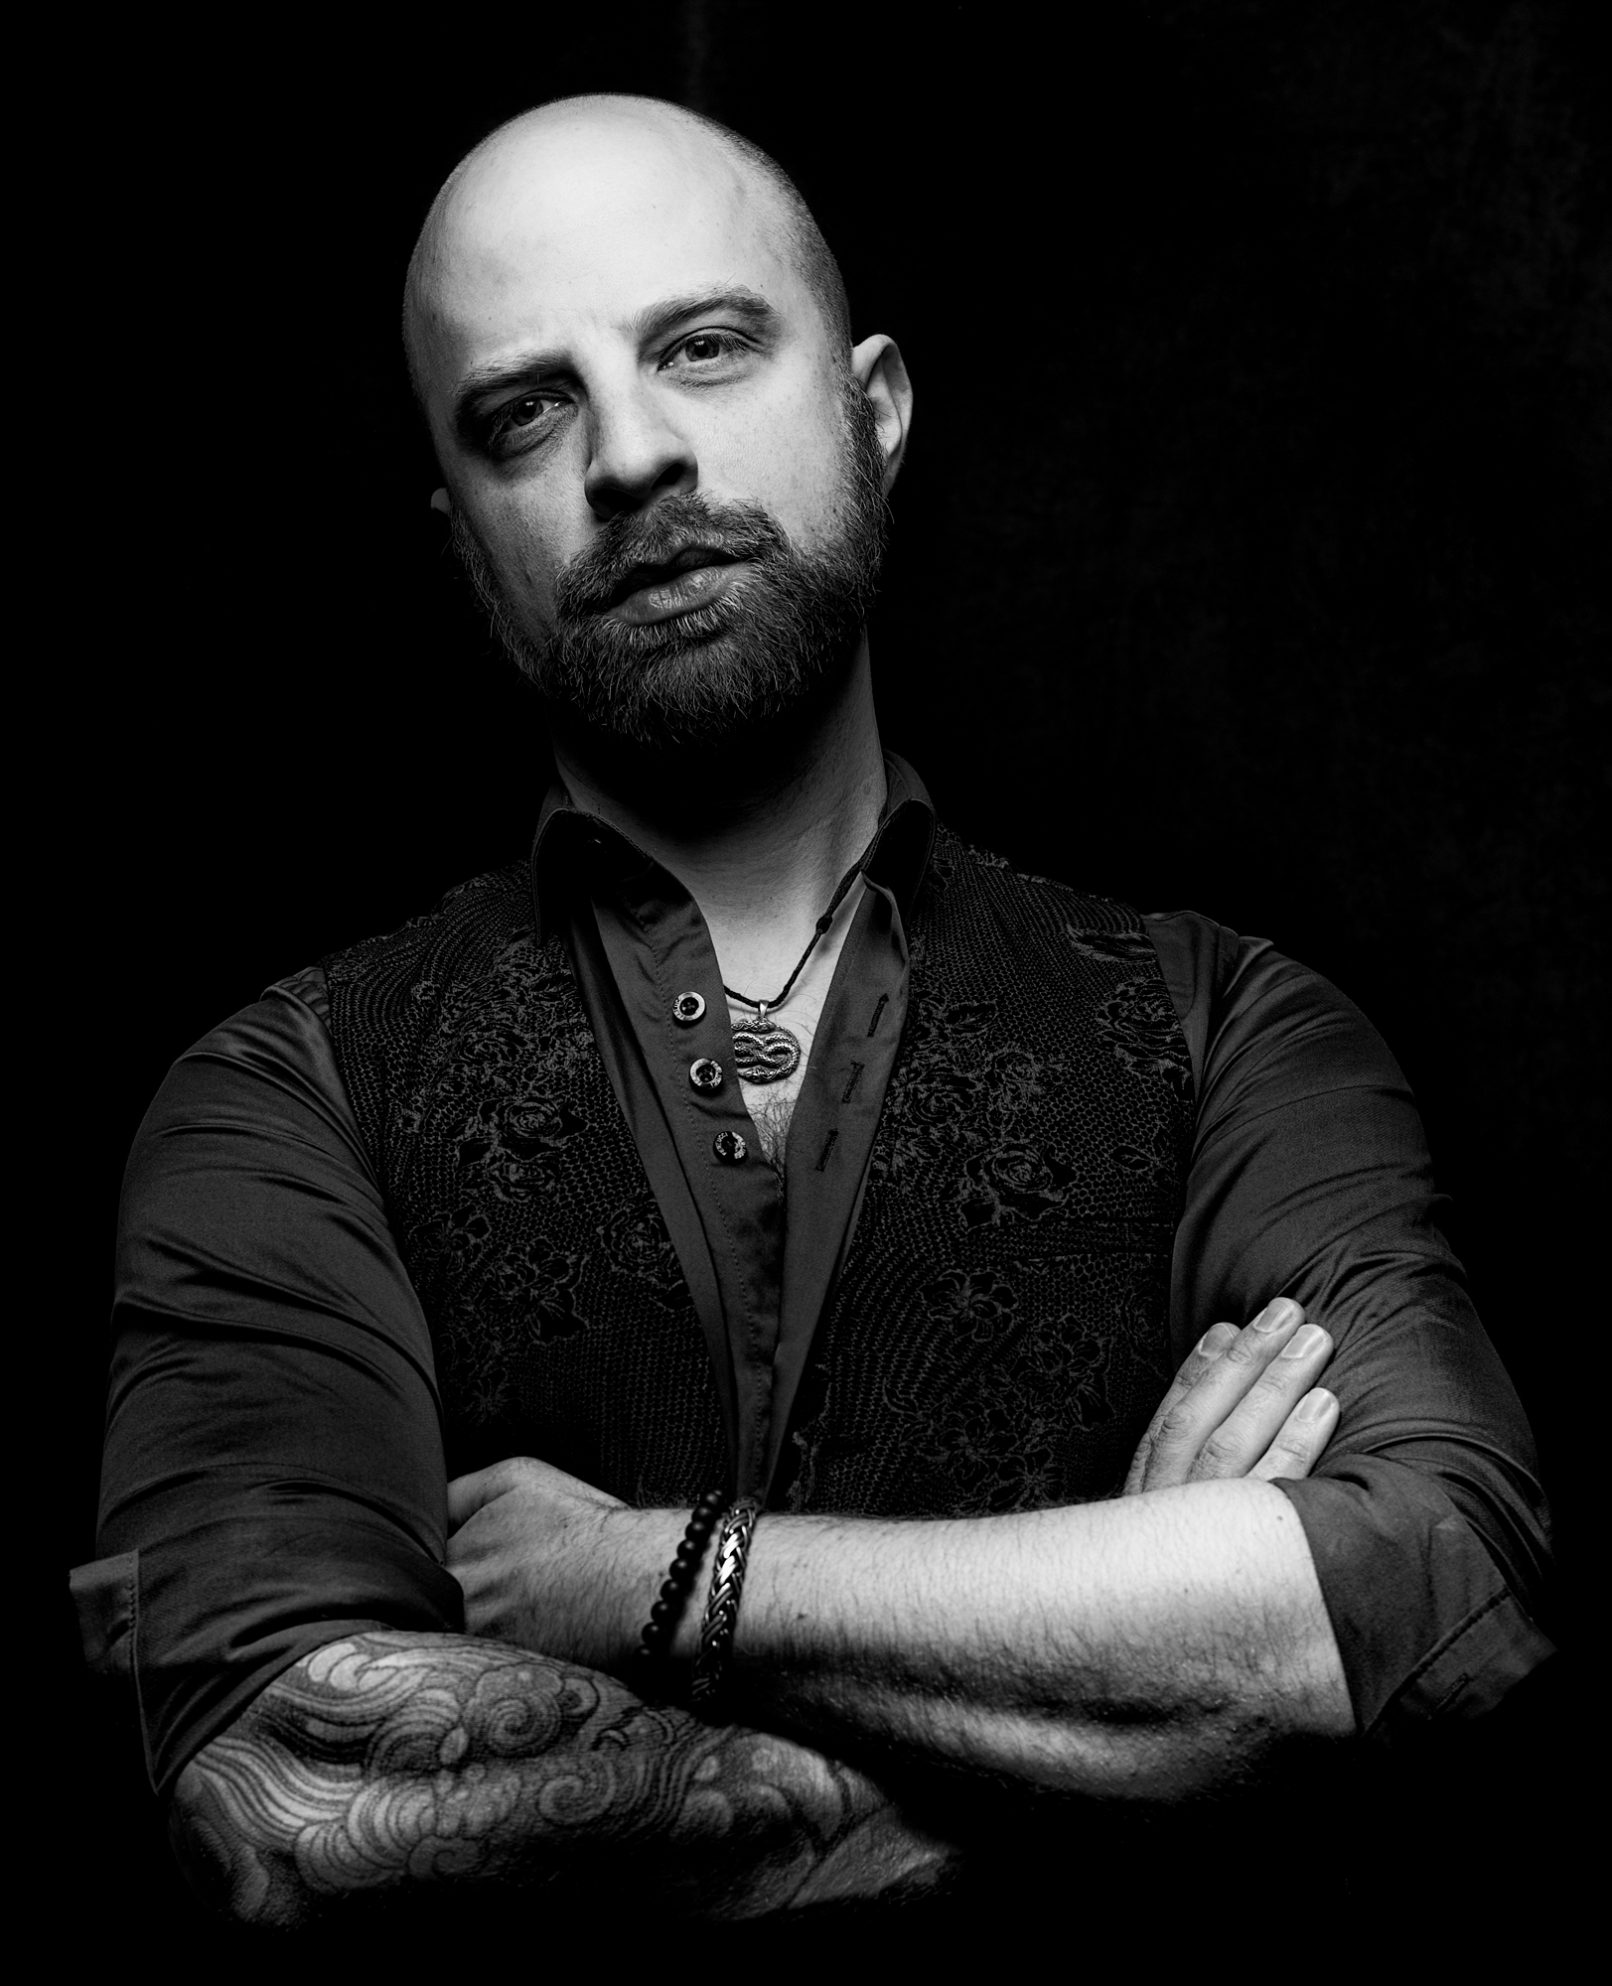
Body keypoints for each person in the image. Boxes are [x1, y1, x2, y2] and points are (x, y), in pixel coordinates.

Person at [74, 93, 1553, 1934]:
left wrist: (654, 1576)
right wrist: (1153, 1738)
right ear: (463, 545)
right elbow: (290, 1795)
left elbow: (1425, 1591)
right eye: (525, 410)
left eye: (703, 346)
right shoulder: (286, 1097)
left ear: (877, 411)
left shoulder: (1234, 1030)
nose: (632, 454)